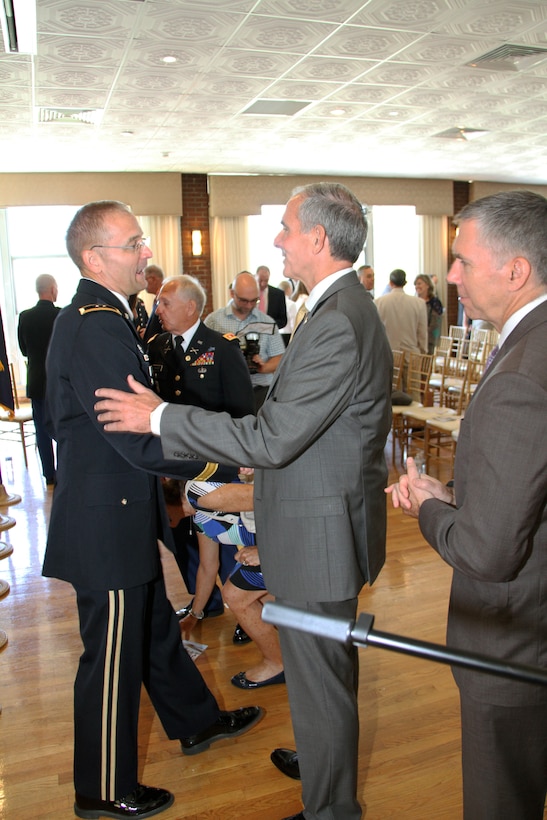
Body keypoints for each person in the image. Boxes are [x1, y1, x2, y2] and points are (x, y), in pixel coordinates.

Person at [95, 181, 393, 820]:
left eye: (286, 228)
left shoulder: (338, 319)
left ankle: (331, 808)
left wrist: (162, 419)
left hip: (321, 535)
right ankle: (322, 764)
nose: (278, 241)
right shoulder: (333, 308)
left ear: (317, 238)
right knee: (318, 678)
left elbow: (275, 436)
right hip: (315, 521)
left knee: (322, 680)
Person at [43, 200, 262, 820]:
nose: (146, 253)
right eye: (133, 243)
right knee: (111, 655)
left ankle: (196, 722)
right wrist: (222, 467)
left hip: (118, 507)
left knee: (152, 629)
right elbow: (133, 435)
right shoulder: (96, 323)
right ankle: (103, 788)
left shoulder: (109, 314)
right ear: (94, 257)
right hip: (103, 518)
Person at [386, 190, 547, 820]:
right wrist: (456, 493)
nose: (449, 275)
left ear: (515, 271)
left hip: (513, 642)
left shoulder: (518, 374)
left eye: (463, 261)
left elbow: (487, 551)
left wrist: (429, 505)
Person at [148, 274, 254, 639]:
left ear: (191, 307)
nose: (157, 309)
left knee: (228, 539)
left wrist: (243, 458)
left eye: (165, 303)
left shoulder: (222, 347)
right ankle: (203, 601)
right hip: (172, 463)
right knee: (183, 536)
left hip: (214, 461)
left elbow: (242, 410)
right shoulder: (158, 346)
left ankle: (247, 610)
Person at [179, 476, 285, 689]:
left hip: (287, 544)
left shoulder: (200, 493)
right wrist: (194, 615)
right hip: (273, 548)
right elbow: (208, 568)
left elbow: (281, 498)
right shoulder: (200, 516)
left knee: (235, 595)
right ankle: (306, 655)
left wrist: (266, 552)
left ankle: (277, 664)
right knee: (269, 603)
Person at [205, 271, 285, 412]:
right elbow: (203, 356)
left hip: (260, 391)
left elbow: (279, 357)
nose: (249, 305)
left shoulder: (267, 322)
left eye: (254, 300)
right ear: (232, 293)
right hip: (224, 391)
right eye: (243, 300)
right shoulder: (214, 321)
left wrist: (263, 367)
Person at [17, 273, 60, 485]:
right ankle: (65, 471)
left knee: (41, 430)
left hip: (36, 380)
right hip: (59, 381)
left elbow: (24, 350)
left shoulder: (25, 316)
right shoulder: (61, 315)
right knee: (62, 427)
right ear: (52, 289)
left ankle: (49, 475)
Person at [375, 268, 428, 354]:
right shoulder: (419, 303)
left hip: (387, 354)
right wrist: (423, 351)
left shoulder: (378, 303)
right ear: (405, 283)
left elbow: (376, 332)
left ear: (390, 283)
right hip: (411, 355)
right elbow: (422, 333)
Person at [414, 273, 443, 354]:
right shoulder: (414, 302)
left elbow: (436, 324)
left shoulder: (435, 302)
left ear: (427, 285)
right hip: (414, 341)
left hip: (430, 341)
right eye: (415, 284)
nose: (417, 286)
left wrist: (423, 334)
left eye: (419, 283)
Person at [256, 264, 288, 330]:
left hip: (271, 335)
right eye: (260, 280)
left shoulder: (278, 294)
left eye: (266, 280)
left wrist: (268, 327)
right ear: (255, 277)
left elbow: (283, 320)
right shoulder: (248, 293)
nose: (263, 284)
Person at [141, 264, 164, 342]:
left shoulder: (164, 298)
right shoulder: (157, 298)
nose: (143, 283)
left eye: (145, 279)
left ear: (153, 279)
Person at [278, 279, 298, 346]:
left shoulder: (277, 303)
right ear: (289, 289)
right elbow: (294, 322)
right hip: (288, 335)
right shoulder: (291, 304)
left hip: (278, 334)